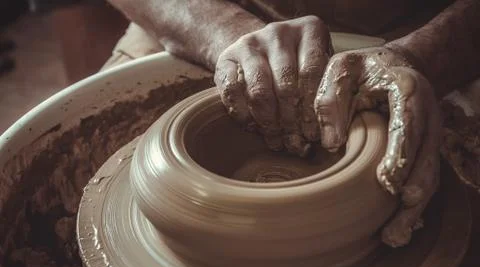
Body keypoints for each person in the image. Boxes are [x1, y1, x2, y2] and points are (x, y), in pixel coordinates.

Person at [105, 0, 480, 247]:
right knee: (107, 172)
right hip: (202, 12)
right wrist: (229, 31)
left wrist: (421, 56)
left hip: (430, 27)